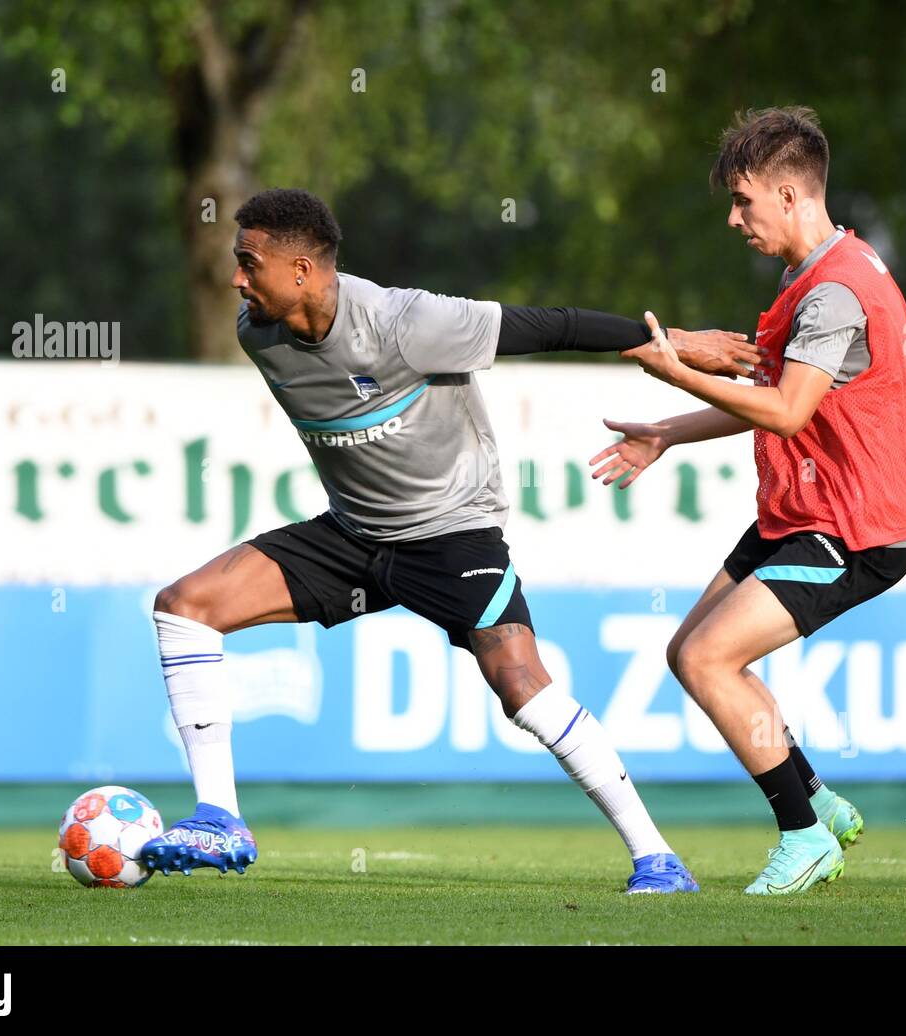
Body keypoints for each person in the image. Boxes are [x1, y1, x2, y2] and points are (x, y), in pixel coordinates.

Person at [142, 187, 756, 892]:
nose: (236, 279)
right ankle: (220, 818)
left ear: (305, 270)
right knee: (183, 605)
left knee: (523, 690)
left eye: (249, 262)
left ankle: (658, 859)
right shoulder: (260, 333)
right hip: (355, 535)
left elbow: (554, 326)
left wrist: (673, 345)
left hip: (454, 534)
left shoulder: (410, 322)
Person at [590, 107, 906, 895]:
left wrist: (677, 370)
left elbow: (784, 411)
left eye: (744, 202)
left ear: (788, 192)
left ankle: (802, 835)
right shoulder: (812, 276)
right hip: (803, 513)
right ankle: (816, 799)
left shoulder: (835, 293)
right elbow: (770, 397)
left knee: (712, 659)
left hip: (855, 530)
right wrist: (668, 431)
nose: (736, 219)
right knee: (690, 652)